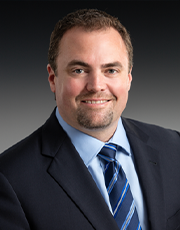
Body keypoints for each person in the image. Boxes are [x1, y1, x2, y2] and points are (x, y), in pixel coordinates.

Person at [0, 8, 180, 230]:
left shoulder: (174, 147)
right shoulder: (10, 179)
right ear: (53, 78)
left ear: (129, 78)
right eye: (79, 70)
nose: (96, 85)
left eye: (111, 70)